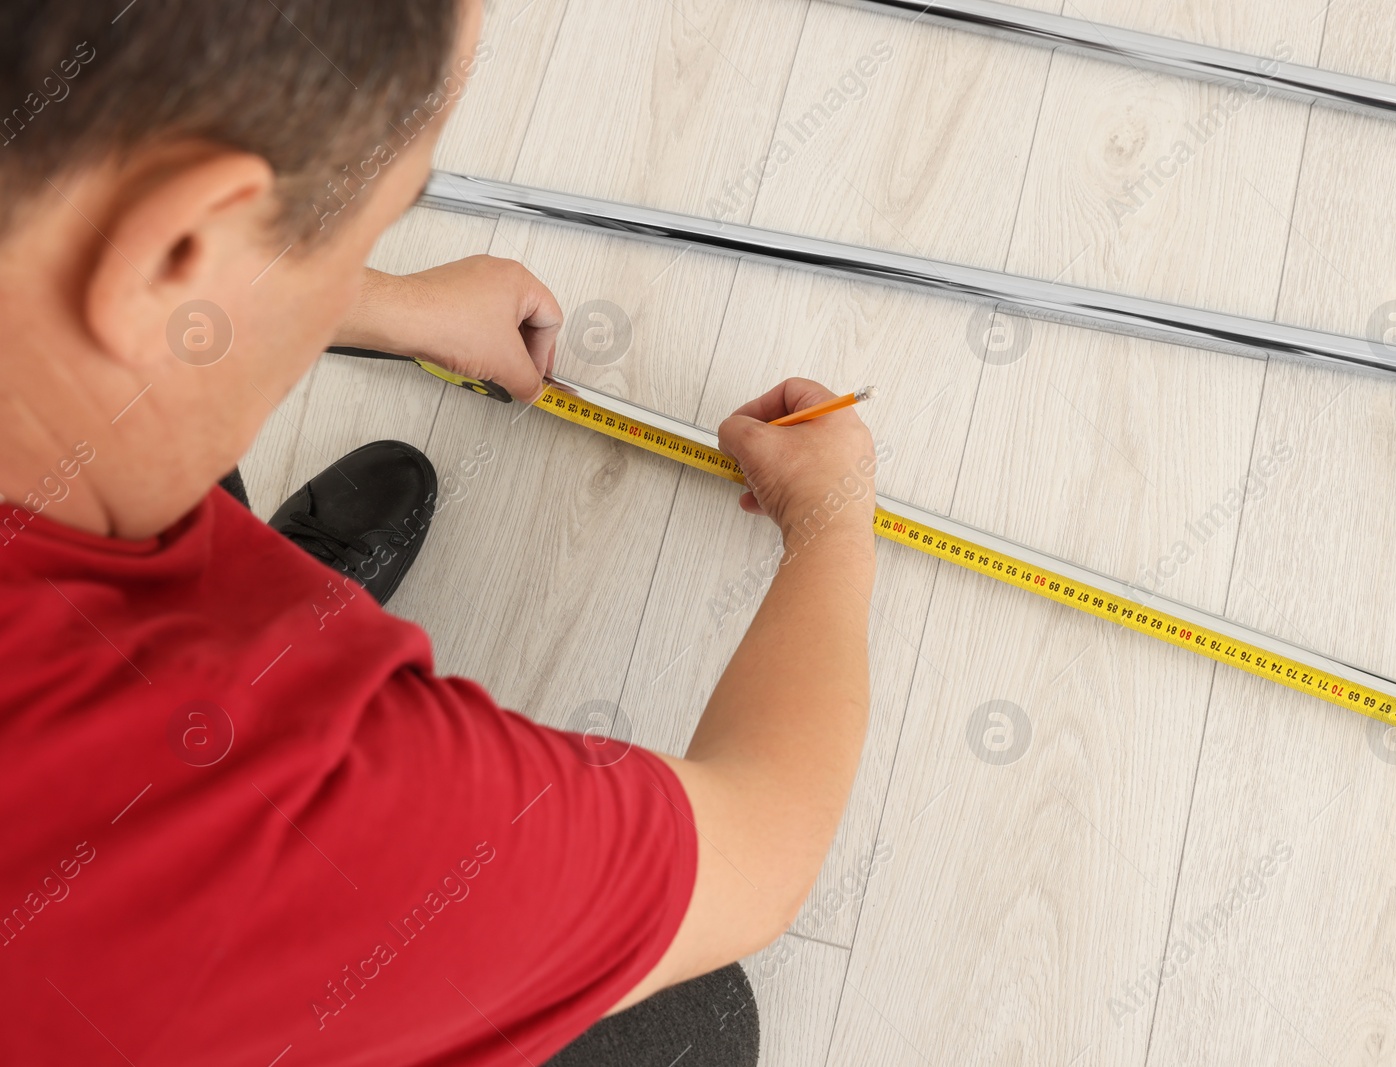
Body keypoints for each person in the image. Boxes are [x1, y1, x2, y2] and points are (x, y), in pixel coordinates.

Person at [0, 2, 878, 1065]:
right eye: (375, 218)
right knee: (691, 1024)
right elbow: (763, 844)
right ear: (180, 250)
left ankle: (261, 626)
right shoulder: (303, 827)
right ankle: (265, 656)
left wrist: (372, 301)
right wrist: (831, 518)